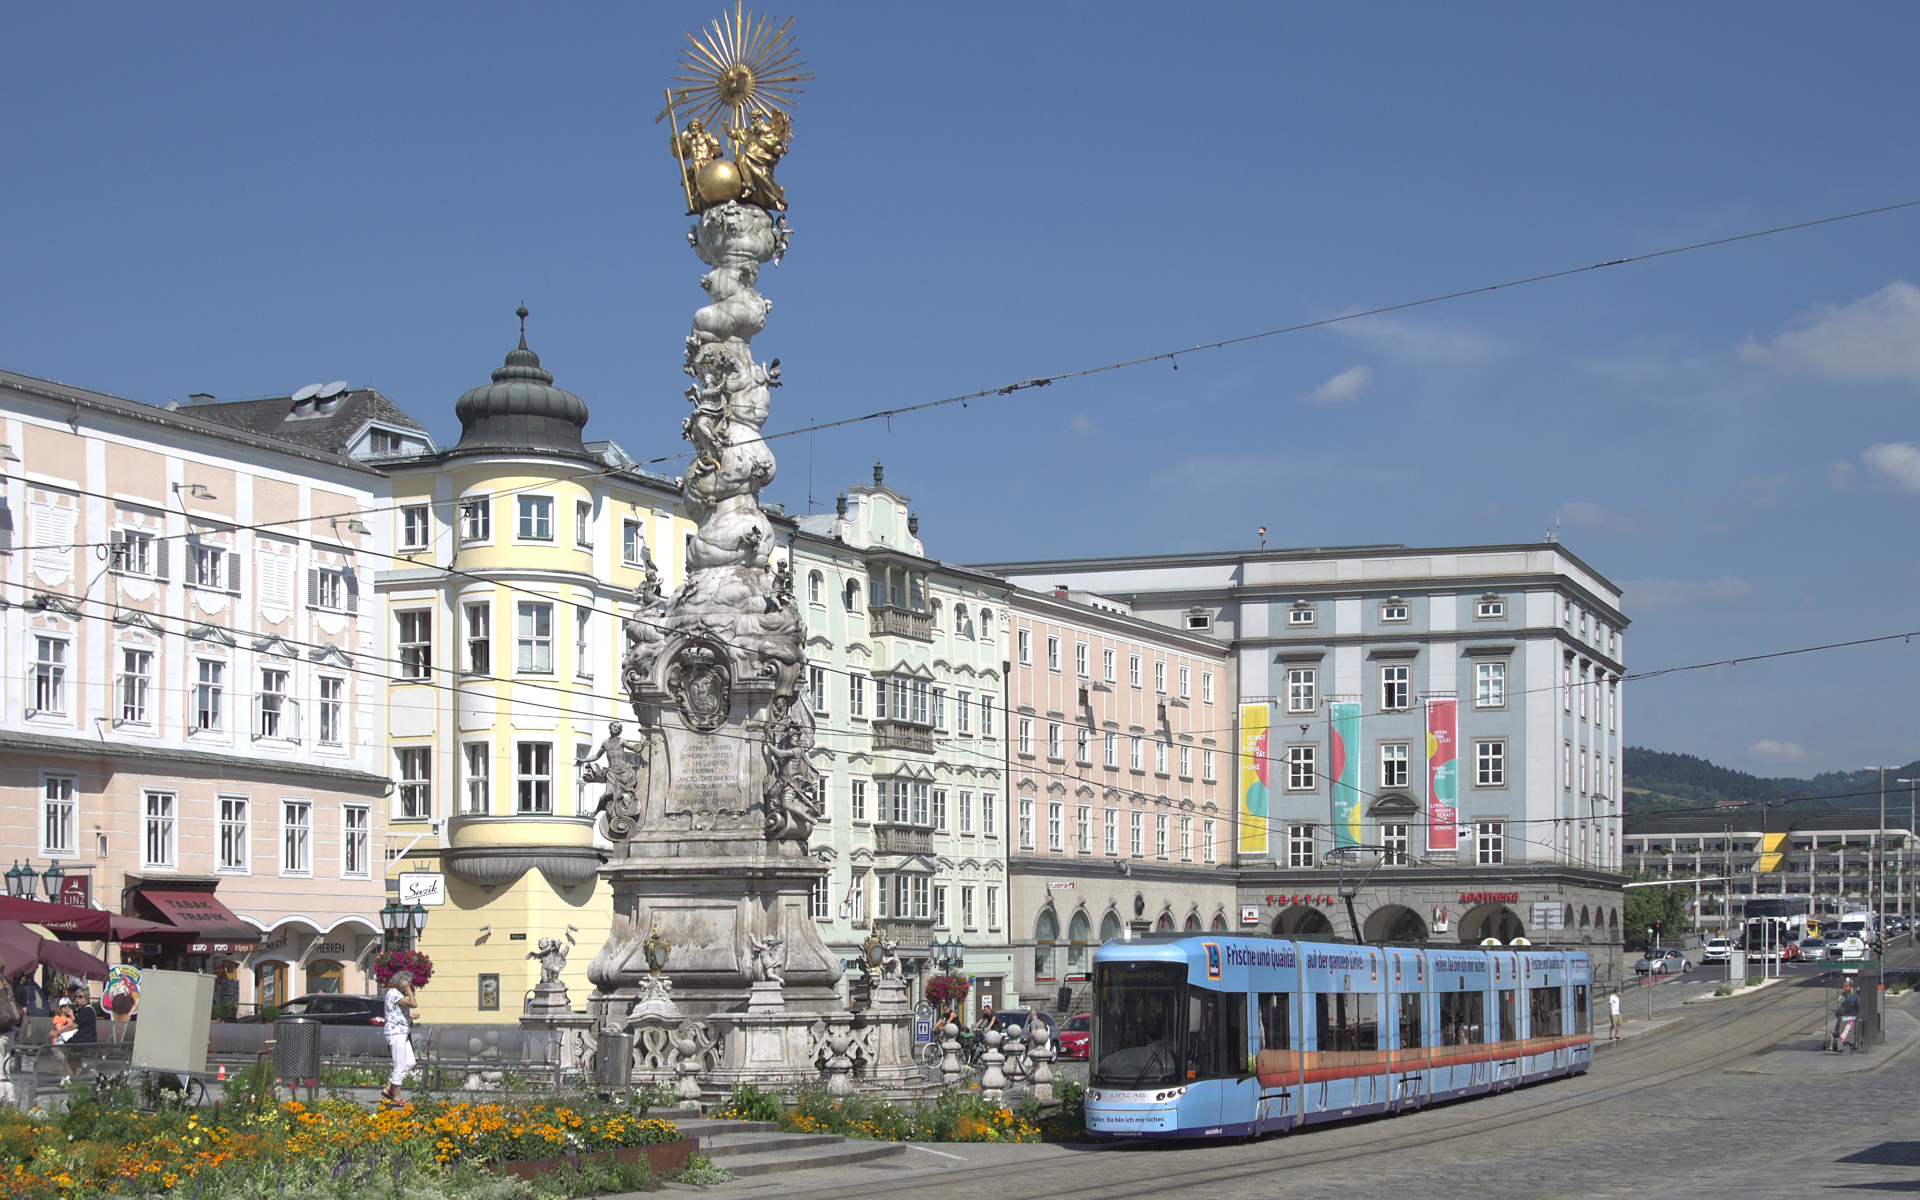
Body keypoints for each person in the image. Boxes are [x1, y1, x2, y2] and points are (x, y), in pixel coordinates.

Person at [381, 970, 419, 1103]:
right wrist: (408, 990)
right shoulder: (394, 993)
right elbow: (413, 1004)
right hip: (395, 1033)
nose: (409, 984)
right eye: (408, 982)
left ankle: (389, 1088)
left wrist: (409, 1015)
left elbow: (394, 1011)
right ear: (401, 983)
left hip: (402, 1031)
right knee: (400, 1065)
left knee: (410, 1062)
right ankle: (396, 1096)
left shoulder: (396, 994)